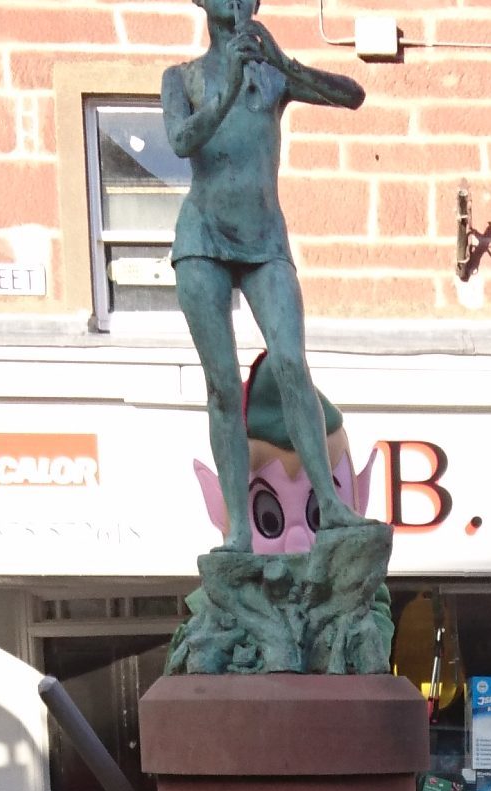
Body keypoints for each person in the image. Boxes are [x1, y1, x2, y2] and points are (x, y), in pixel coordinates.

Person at [164, 0, 368, 553]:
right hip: (203, 238)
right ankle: (237, 530)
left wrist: (285, 63)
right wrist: (228, 83)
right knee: (224, 387)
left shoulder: (270, 75)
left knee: (291, 363)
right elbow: (182, 141)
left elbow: (351, 95)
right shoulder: (182, 78)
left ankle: (330, 504)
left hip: (264, 240)